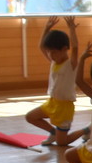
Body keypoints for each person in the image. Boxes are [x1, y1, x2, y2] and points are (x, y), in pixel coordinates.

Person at [26, 16, 81, 146]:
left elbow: (75, 47)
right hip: (52, 103)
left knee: (62, 143)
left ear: (64, 49)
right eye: (49, 52)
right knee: (30, 117)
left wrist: (72, 29)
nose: (50, 55)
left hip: (64, 107)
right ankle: (53, 132)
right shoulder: (53, 62)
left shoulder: (71, 65)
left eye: (53, 52)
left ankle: (88, 129)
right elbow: (41, 46)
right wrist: (46, 28)